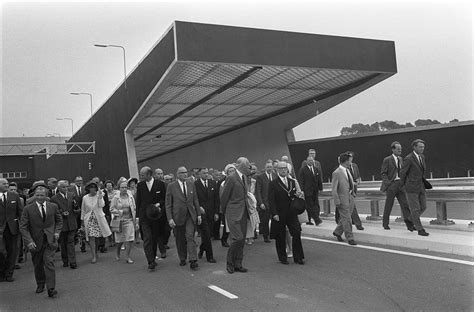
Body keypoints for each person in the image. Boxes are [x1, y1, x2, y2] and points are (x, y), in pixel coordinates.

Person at [20, 185, 62, 297]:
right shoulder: (27, 209)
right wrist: (28, 241)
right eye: (37, 195)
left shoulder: (53, 206)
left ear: (46, 196)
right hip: (35, 241)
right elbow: (23, 227)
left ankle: (51, 288)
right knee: (38, 264)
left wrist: (57, 232)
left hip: (50, 240)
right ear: (34, 196)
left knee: (49, 263)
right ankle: (40, 283)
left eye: (41, 195)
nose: (39, 197)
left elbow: (59, 221)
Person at [220, 157, 252, 274]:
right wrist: (223, 212)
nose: (249, 167)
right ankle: (230, 262)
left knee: (242, 239)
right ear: (242, 165)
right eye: (247, 164)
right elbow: (224, 196)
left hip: (243, 212)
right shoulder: (231, 178)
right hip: (233, 213)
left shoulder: (243, 177)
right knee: (237, 238)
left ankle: (238, 263)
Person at [268, 162, 305, 265]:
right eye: (281, 169)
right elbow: (271, 200)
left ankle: (298, 257)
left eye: (285, 168)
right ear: (277, 170)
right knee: (280, 235)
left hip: (292, 212)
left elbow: (295, 194)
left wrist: (298, 195)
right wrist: (274, 213)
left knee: (296, 232)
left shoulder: (292, 181)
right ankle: (282, 257)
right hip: (279, 213)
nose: (283, 170)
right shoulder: (273, 183)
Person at [166, 167, 202, 270]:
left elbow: (195, 200)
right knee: (180, 238)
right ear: (177, 174)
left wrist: (198, 214)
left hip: (190, 215)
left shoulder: (191, 184)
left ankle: (193, 259)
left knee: (190, 236)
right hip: (177, 216)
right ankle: (182, 257)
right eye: (182, 173)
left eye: (186, 172)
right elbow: (168, 204)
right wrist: (170, 218)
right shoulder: (171, 186)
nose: (185, 174)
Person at [135, 166, 167, 271]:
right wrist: (137, 218)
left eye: (142, 175)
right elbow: (138, 202)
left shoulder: (160, 184)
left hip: (156, 216)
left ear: (149, 174)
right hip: (144, 216)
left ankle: (153, 257)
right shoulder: (140, 185)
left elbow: (164, 199)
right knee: (147, 238)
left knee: (154, 238)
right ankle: (150, 261)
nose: (141, 176)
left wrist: (158, 204)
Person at [380, 142, 414, 231]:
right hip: (392, 185)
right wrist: (388, 184)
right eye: (398, 149)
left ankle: (410, 225)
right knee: (389, 205)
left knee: (405, 205)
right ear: (393, 149)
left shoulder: (401, 159)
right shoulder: (387, 160)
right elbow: (383, 173)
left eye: (400, 149)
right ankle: (385, 224)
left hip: (401, 185)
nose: (400, 150)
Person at [400, 139, 430, 236]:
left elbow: (421, 172)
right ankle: (420, 229)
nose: (422, 149)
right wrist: (403, 186)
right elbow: (403, 173)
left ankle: (409, 220)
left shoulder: (422, 157)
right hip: (411, 187)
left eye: (423, 147)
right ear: (414, 147)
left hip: (421, 186)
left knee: (423, 207)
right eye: (420, 147)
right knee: (415, 209)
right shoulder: (408, 158)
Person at [50, 180, 80, 269]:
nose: (66, 188)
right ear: (59, 188)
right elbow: (54, 212)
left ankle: (72, 262)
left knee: (70, 242)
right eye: (63, 187)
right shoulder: (54, 198)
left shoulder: (71, 195)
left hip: (72, 222)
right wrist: (61, 213)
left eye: (67, 187)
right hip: (62, 225)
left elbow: (77, 207)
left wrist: (76, 210)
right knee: (63, 243)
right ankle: (65, 260)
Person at [81, 181, 112, 263]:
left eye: (94, 187)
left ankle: (96, 251)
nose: (92, 189)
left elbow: (102, 205)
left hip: (98, 219)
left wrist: (100, 197)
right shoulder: (85, 198)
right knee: (91, 237)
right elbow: (83, 210)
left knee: (97, 237)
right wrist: (82, 221)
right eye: (91, 187)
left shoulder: (99, 195)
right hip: (89, 220)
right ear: (88, 189)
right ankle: (94, 255)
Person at [0, 178, 24, 282]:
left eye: (7, 183)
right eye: (4, 183)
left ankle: (9, 274)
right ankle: (1, 273)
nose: (6, 185)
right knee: (1, 252)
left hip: (12, 228)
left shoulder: (14, 195)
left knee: (12, 251)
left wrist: (23, 227)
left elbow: (20, 212)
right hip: (1, 229)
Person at [331, 152, 357, 246]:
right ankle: (350, 238)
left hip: (350, 197)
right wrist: (337, 200)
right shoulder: (337, 173)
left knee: (346, 217)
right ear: (345, 161)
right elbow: (334, 188)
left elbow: (348, 183)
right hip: (342, 199)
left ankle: (337, 231)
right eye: (349, 161)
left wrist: (353, 189)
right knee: (347, 219)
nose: (351, 162)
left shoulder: (347, 170)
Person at [335, 152, 364, 230]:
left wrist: (358, 181)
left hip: (353, 190)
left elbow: (357, 176)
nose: (350, 160)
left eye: (351, 158)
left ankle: (338, 228)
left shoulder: (354, 166)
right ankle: (358, 224)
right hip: (346, 192)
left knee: (347, 212)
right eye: (349, 158)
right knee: (351, 209)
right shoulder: (342, 169)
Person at [194, 168, 218, 263]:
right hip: (202, 213)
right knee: (207, 234)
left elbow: (216, 199)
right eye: (204, 173)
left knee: (207, 235)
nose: (206, 174)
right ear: (199, 174)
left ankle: (201, 249)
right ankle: (210, 256)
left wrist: (216, 212)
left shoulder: (212, 183)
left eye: (207, 173)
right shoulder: (195, 185)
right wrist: (199, 207)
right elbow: (194, 198)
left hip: (211, 213)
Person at [110, 181, 137, 264]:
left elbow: (134, 207)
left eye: (125, 187)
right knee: (120, 240)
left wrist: (135, 219)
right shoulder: (115, 197)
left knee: (129, 239)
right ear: (119, 188)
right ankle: (118, 252)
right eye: (122, 187)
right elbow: (111, 209)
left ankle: (127, 256)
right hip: (119, 221)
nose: (124, 189)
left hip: (129, 220)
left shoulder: (130, 196)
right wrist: (119, 212)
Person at [298, 156, 323, 226]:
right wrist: (301, 190)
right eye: (309, 161)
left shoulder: (316, 169)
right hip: (307, 191)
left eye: (312, 161)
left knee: (315, 205)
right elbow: (301, 181)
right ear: (307, 161)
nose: (311, 162)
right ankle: (317, 219)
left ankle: (308, 220)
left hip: (315, 191)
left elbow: (319, 180)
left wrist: (320, 188)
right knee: (310, 205)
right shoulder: (303, 170)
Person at [255, 161, 276, 243]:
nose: (269, 168)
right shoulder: (260, 177)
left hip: (274, 202)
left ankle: (273, 234)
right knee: (265, 221)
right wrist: (261, 203)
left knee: (275, 219)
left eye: (271, 167)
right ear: (265, 168)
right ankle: (266, 236)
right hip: (265, 203)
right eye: (268, 167)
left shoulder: (275, 176)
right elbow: (258, 191)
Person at [218, 164, 236, 247]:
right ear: (227, 173)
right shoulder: (223, 183)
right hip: (227, 207)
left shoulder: (238, 180)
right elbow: (223, 196)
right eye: (230, 171)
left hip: (236, 207)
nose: (232, 172)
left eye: (233, 171)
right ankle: (224, 239)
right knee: (226, 225)